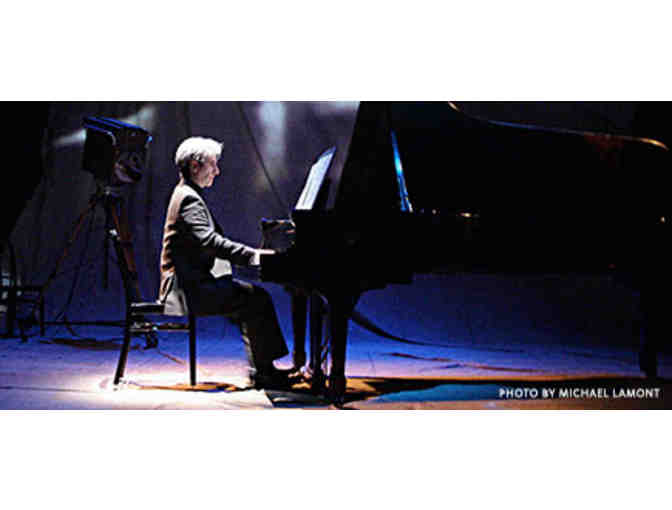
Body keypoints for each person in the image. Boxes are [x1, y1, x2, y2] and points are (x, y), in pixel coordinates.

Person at [158, 136, 291, 388]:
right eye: (213, 164)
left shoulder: (185, 193)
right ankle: (264, 373)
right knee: (256, 299)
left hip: (190, 283)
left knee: (251, 298)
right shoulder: (188, 198)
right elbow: (210, 241)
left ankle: (263, 370)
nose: (217, 171)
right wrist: (252, 255)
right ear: (195, 166)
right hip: (186, 290)